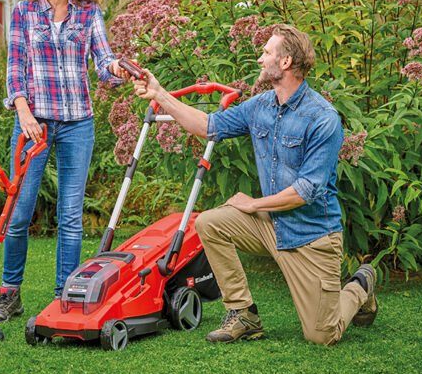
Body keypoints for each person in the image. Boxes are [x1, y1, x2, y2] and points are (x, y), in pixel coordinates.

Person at [132, 24, 378, 345]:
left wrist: (254, 204)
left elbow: (308, 190)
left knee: (323, 334)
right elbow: (208, 126)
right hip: (271, 226)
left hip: (312, 237)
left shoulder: (322, 118)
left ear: (286, 62)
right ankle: (243, 314)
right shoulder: (260, 106)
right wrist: (160, 94)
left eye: (266, 53)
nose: (260, 59)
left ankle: (361, 284)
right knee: (210, 223)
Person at [0, 0, 129, 322]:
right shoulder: (24, 13)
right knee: (19, 213)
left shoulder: (88, 13)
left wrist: (115, 69)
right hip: (33, 124)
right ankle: (10, 292)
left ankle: (63, 297)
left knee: (70, 216)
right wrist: (23, 113)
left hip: (77, 124)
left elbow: (104, 61)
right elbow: (15, 68)